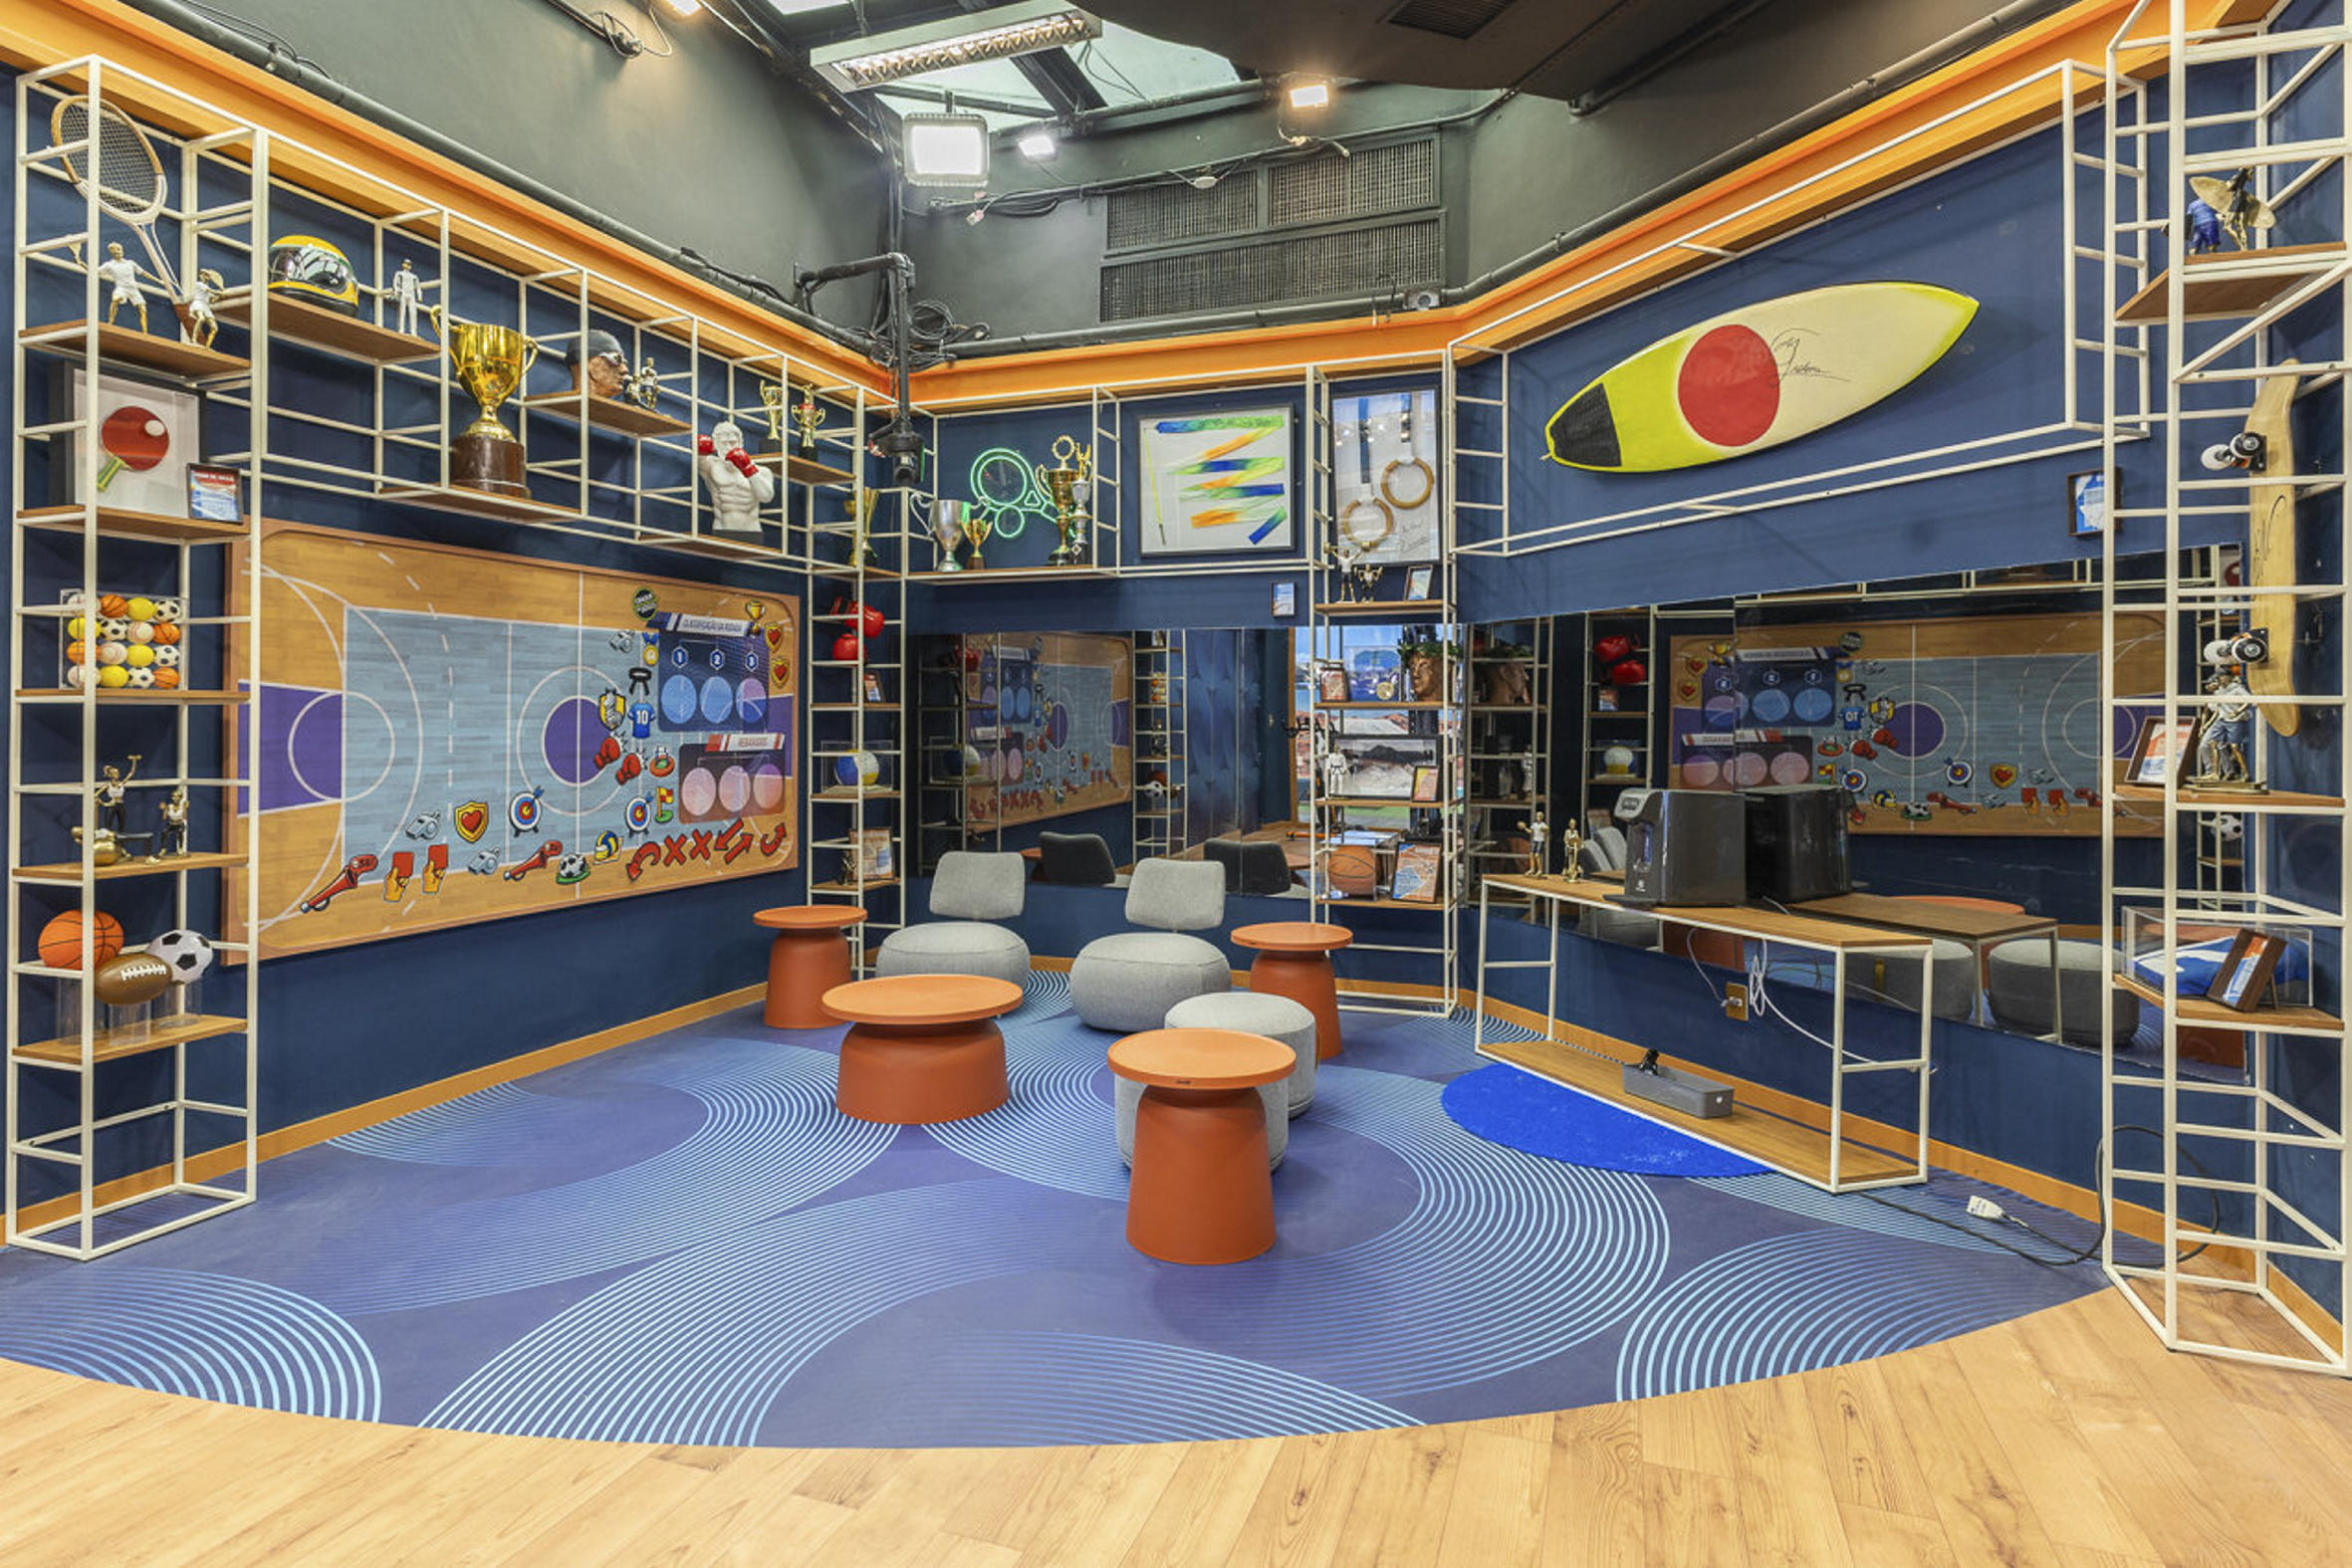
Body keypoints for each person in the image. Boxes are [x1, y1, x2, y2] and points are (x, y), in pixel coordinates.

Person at [697, 421, 773, 536]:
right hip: (721, 528)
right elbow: (698, 459)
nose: (728, 447)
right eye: (723, 443)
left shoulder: (762, 471)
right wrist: (701, 447)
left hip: (751, 530)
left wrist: (748, 468)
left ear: (740, 443)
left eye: (732, 442)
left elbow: (766, 497)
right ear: (716, 445)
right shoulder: (711, 466)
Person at [180, 268, 224, 347]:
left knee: (214, 328)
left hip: (206, 307)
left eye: (206, 275)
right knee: (201, 319)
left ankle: (207, 347)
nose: (204, 276)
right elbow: (211, 291)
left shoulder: (207, 289)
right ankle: (194, 339)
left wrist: (219, 296)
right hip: (198, 304)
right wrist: (221, 291)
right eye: (203, 275)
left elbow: (212, 301)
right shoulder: (199, 284)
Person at [152, 784, 189, 860]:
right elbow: (164, 818)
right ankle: (163, 849)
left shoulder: (182, 806)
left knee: (180, 832)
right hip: (171, 824)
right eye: (173, 796)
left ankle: (180, 849)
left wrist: (186, 809)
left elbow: (185, 818)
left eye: (177, 797)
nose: (175, 798)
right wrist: (164, 809)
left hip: (179, 824)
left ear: (181, 798)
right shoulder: (169, 806)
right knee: (164, 832)